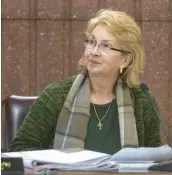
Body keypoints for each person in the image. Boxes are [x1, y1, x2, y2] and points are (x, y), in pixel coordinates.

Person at [9, 9, 162, 154]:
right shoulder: (55, 96)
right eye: (91, 42)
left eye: (106, 46)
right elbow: (20, 150)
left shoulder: (143, 103)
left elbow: (155, 161)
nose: (94, 52)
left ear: (125, 60)